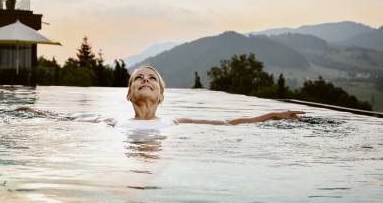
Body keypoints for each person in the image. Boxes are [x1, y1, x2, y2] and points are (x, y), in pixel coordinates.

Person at [17, 66, 304, 127]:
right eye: (138, 78)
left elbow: (229, 122)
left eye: (152, 78)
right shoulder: (111, 120)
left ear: (162, 96)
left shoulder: (176, 121)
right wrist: (35, 112)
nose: (145, 80)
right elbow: (68, 118)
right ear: (129, 94)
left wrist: (273, 115)